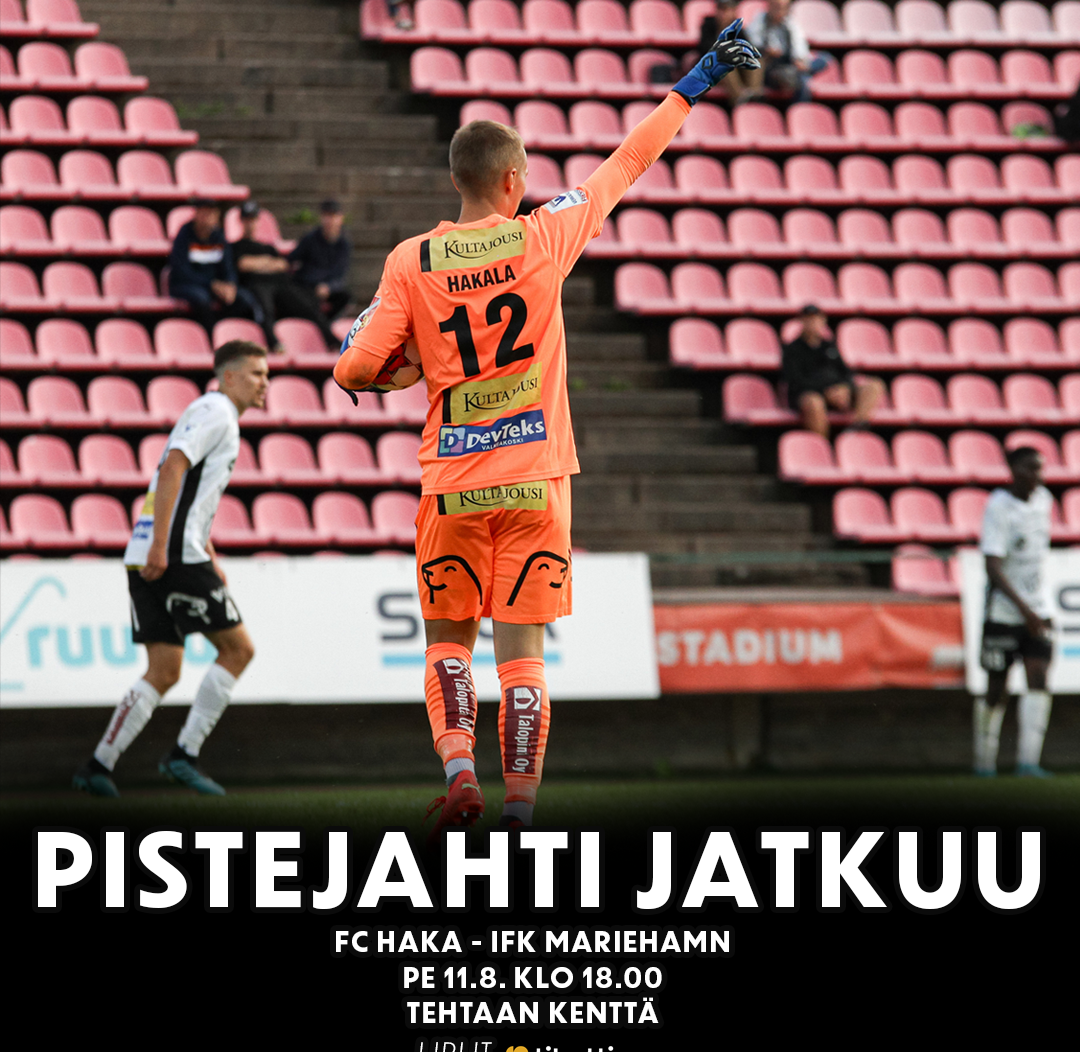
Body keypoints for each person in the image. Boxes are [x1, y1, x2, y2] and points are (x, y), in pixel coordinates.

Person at [334, 24, 761, 844]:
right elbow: (626, 163)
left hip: (453, 485)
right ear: (513, 180)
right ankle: (522, 808)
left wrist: (400, 371)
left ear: (455, 179)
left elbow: (354, 369)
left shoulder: (411, 261)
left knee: (448, 643)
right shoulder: (543, 236)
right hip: (536, 481)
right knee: (523, 656)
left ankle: (459, 775)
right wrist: (697, 82)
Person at [72, 340, 268, 797]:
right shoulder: (217, 411)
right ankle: (184, 754)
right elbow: (174, 468)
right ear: (229, 376)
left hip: (152, 551)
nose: (265, 383)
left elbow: (190, 491)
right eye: (257, 374)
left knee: (163, 670)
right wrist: (164, 546)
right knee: (238, 651)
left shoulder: (210, 412)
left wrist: (204, 551)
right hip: (174, 555)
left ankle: (97, 765)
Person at [973, 446, 1055, 779]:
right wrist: (1024, 610)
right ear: (1014, 470)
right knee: (997, 686)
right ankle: (984, 763)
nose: (1038, 476)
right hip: (1004, 612)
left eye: (1040, 468)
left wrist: (1038, 607)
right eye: (1031, 468)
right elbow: (993, 566)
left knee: (1039, 677)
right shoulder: (998, 507)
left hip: (1038, 609)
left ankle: (1028, 762)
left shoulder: (1044, 500)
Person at [232, 199, 341, 352]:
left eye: (253, 219)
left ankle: (333, 342)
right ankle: (274, 344)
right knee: (265, 309)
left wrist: (258, 263)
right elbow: (243, 264)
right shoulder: (235, 247)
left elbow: (282, 264)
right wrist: (268, 263)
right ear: (242, 221)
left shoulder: (268, 247)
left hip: (279, 284)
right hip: (257, 285)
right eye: (247, 219)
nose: (251, 223)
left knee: (308, 307)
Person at [781, 304, 883, 438]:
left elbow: (845, 372)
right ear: (802, 321)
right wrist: (826, 391)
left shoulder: (829, 345)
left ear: (823, 321)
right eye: (809, 319)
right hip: (810, 394)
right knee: (814, 402)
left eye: (816, 319)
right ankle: (822, 444)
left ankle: (856, 429)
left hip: (837, 392)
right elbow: (795, 381)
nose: (813, 323)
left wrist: (845, 388)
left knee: (874, 385)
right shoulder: (792, 349)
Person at [168, 198, 259, 334]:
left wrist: (230, 284)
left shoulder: (219, 237)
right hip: (187, 285)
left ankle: (231, 334)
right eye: (205, 212)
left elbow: (228, 267)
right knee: (201, 299)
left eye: (212, 213)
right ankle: (211, 336)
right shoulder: (184, 236)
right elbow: (182, 271)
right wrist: (211, 284)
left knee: (243, 299)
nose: (208, 217)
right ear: (196, 214)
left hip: (213, 286)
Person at [745, 0, 833, 103]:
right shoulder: (759, 21)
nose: (780, 11)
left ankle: (804, 70)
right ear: (769, 6)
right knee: (802, 80)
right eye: (777, 7)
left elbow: (799, 45)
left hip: (790, 65)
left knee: (825, 58)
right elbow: (752, 44)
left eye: (784, 8)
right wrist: (768, 51)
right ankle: (800, 108)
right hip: (770, 68)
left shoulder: (790, 23)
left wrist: (799, 59)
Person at [291, 198, 351, 321]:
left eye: (333, 216)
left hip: (329, 287)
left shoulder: (344, 244)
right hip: (308, 286)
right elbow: (293, 259)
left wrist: (329, 286)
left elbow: (341, 272)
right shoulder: (309, 239)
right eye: (327, 216)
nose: (330, 221)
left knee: (346, 297)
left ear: (340, 218)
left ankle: (327, 324)